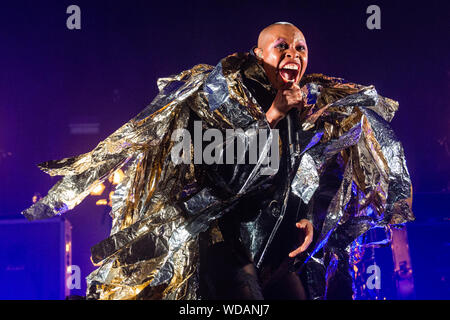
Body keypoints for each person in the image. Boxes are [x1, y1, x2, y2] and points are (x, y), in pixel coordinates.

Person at [22, 22, 414, 300]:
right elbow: (223, 176)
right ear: (259, 54)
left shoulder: (311, 107)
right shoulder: (222, 101)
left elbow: (320, 169)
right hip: (225, 244)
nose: (293, 54)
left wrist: (312, 217)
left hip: (276, 251)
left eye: (300, 49)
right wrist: (271, 117)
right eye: (283, 46)